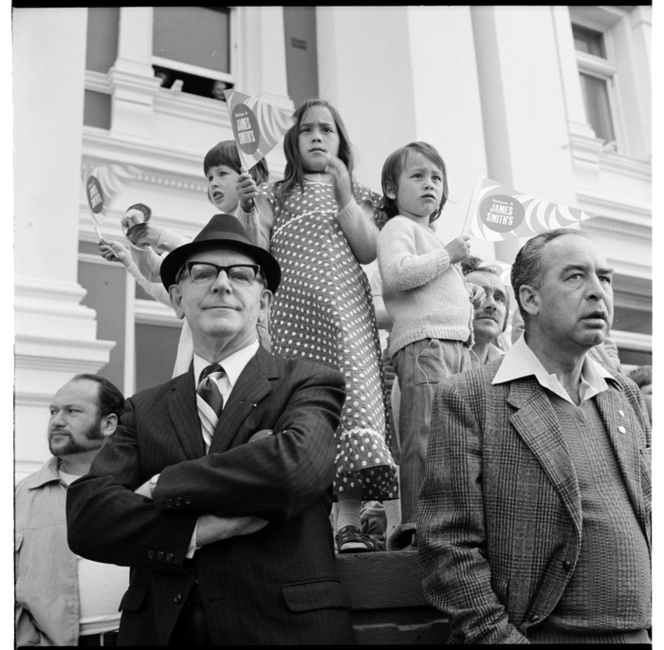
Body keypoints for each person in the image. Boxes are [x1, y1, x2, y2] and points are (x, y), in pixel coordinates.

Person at [66, 214, 355, 645]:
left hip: (286, 630)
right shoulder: (142, 409)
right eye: (203, 273)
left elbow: (294, 470)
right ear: (178, 298)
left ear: (266, 301)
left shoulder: (309, 381)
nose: (222, 284)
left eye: (240, 274)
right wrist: (198, 531)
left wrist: (165, 484)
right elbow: (88, 517)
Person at [419, 228, 651, 644]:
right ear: (529, 299)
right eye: (576, 277)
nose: (599, 292)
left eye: (606, 277)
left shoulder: (625, 395)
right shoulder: (469, 397)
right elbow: (447, 546)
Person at [235, 98, 398, 553]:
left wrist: (344, 196)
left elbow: (369, 251)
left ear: (341, 141)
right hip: (292, 319)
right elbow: (258, 253)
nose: (317, 136)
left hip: (345, 316)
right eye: (307, 129)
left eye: (327, 129)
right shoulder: (276, 195)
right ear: (293, 140)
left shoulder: (361, 194)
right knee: (306, 411)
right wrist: (248, 210)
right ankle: (314, 523)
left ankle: (348, 518)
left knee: (353, 404)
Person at [376, 141, 482, 550]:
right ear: (391, 188)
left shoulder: (430, 236)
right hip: (425, 344)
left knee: (456, 436)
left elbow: (434, 286)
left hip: (453, 346)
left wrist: (465, 293)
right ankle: (417, 522)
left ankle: (451, 516)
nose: (429, 185)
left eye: (436, 178)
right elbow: (398, 275)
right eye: (417, 176)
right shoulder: (397, 228)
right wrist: (449, 256)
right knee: (423, 433)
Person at [99, 141, 271, 374]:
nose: (214, 183)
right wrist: (134, 252)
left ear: (249, 176)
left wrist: (159, 237)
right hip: (193, 373)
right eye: (209, 177)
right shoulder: (210, 233)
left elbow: (230, 254)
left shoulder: (259, 224)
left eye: (222, 173)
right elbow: (171, 288)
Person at [15, 375, 127, 646]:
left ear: (109, 423)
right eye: (53, 411)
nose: (56, 420)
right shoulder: (18, 497)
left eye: (72, 411)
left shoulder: (143, 485)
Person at [463, 262, 510, 368]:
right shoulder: (432, 361)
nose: (493, 304)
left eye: (499, 298)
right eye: (480, 294)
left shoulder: (514, 369)